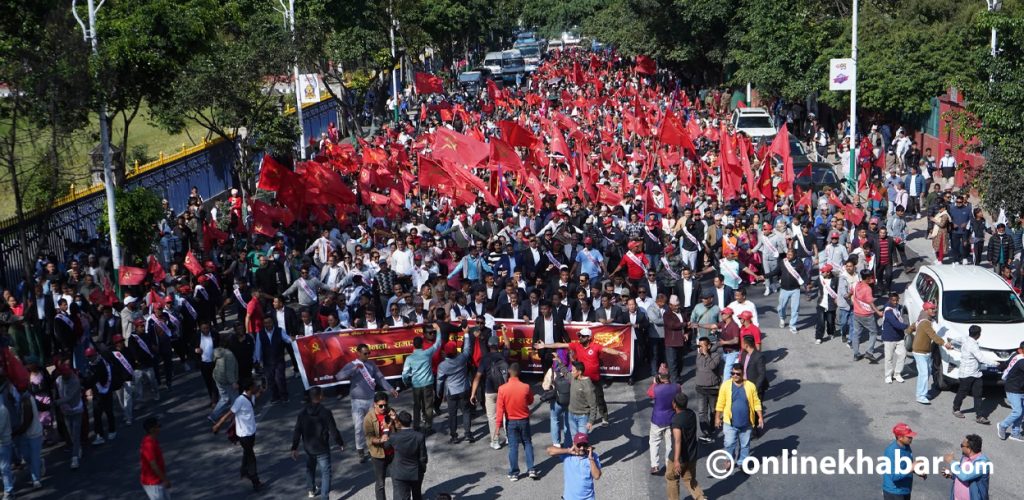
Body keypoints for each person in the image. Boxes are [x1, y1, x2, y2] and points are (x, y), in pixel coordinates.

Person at [539, 327, 627, 426]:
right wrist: (545, 345)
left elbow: (607, 349)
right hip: (581, 380)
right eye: (579, 336)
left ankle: (604, 417)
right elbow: (560, 344)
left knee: (599, 400)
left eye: (582, 336)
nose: (580, 337)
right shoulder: (576, 345)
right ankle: (587, 419)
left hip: (594, 380)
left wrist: (619, 353)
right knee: (584, 400)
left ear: (589, 337)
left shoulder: (596, 346)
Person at [335, 343, 398, 462]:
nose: (367, 355)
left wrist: (390, 389)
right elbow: (339, 376)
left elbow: (380, 378)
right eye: (365, 353)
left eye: (369, 353)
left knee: (373, 426)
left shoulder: (371, 364)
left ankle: (373, 447)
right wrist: (353, 370)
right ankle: (360, 449)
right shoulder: (352, 365)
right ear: (358, 353)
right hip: (357, 401)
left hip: (370, 400)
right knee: (359, 427)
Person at [291, 387, 346, 498]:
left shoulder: (302, 413)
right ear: (320, 397)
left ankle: (311, 490)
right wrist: (340, 443)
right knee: (325, 473)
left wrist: (294, 447)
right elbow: (333, 430)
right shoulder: (325, 412)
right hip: (322, 448)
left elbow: (297, 431)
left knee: (310, 468)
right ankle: (324, 497)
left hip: (309, 448)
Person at [212, 378, 263, 491]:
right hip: (244, 434)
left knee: (248, 451)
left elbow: (256, 397)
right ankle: (255, 481)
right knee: (251, 457)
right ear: (249, 388)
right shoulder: (240, 400)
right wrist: (218, 425)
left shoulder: (251, 397)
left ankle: (243, 472)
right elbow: (229, 414)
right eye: (254, 386)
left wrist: (261, 390)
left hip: (251, 432)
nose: (256, 387)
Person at [494, 363, 537, 481]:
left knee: (513, 447)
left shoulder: (502, 389)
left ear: (509, 372)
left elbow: (500, 409)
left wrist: (497, 427)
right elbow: (530, 400)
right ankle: (531, 469)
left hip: (511, 422)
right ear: (519, 373)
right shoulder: (526, 387)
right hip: (524, 420)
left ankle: (514, 473)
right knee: (527, 443)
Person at [715, 365, 764, 470]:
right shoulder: (726, 385)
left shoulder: (750, 386)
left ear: (743, 374)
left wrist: (760, 417)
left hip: (746, 423)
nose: (735, 376)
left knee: (745, 445)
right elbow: (720, 402)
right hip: (730, 422)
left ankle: (742, 462)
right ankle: (729, 460)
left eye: (738, 374)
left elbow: (756, 402)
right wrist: (717, 417)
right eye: (733, 373)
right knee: (729, 443)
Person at [471, 329, 510, 450]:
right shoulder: (503, 355)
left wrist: (473, 393)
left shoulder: (485, 358)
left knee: (492, 417)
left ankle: (495, 441)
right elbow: (508, 345)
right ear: (498, 345)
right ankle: (509, 437)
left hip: (490, 391)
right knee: (505, 414)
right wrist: (503, 332)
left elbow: (477, 377)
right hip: (503, 390)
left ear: (488, 345)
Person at [435, 329, 475, 443]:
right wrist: (466, 333)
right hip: (464, 389)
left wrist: (439, 392)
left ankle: (454, 436)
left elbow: (439, 381)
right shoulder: (462, 358)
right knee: (466, 411)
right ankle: (468, 433)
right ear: (455, 351)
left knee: (452, 414)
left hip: (451, 392)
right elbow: (467, 348)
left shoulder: (442, 365)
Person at [907, 301, 951, 404]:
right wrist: (945, 344)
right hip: (920, 352)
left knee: (926, 372)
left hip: (925, 351)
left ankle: (923, 392)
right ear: (926, 310)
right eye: (932, 309)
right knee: (924, 373)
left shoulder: (922, 320)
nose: (934, 310)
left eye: (934, 308)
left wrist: (907, 332)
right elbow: (933, 336)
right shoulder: (926, 322)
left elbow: (912, 326)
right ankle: (920, 396)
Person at [400, 334, 441, 435]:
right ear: (422, 344)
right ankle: (428, 427)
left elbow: (405, 374)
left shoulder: (409, 358)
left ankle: (416, 426)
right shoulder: (427, 353)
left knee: (417, 406)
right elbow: (438, 343)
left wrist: (406, 382)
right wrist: (439, 331)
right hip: (428, 384)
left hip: (416, 385)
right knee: (428, 406)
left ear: (413, 345)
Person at [667, 393, 705, 500]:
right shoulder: (691, 414)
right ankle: (701, 498)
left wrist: (676, 460)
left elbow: (678, 440)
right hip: (692, 455)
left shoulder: (676, 420)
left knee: (672, 479)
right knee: (690, 480)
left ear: (674, 404)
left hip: (680, 457)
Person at [952, 326, 991, 425]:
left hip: (976, 373)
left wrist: (952, 344)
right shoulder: (972, 345)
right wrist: (996, 364)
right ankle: (956, 409)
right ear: (978, 335)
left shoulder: (965, 338)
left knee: (978, 394)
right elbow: (982, 359)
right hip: (967, 374)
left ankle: (980, 416)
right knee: (962, 392)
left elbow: (955, 339)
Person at [546, 433, 602, 500]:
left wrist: (590, 458)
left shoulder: (593, 456)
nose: (582, 448)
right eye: (579, 445)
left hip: (588, 498)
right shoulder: (567, 455)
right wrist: (568, 451)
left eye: (584, 445)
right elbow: (549, 450)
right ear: (574, 444)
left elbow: (597, 476)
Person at [647, 365, 680, 474]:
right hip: (671, 419)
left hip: (657, 419)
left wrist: (655, 382)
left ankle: (655, 465)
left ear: (660, 376)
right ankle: (668, 464)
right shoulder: (677, 387)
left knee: (654, 442)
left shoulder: (656, 388)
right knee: (669, 444)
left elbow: (649, 394)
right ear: (669, 376)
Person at [364, 392, 396, 500]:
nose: (383, 408)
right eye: (380, 405)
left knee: (397, 480)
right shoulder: (369, 418)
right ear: (374, 404)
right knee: (380, 483)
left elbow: (399, 430)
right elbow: (369, 438)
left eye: (385, 405)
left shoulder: (391, 412)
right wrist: (379, 440)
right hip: (378, 455)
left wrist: (394, 419)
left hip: (392, 453)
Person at [389, 411, 428, 500]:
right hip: (416, 471)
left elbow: (386, 446)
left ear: (399, 421)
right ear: (411, 422)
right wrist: (422, 470)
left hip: (400, 472)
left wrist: (388, 429)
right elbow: (423, 456)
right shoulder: (419, 436)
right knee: (417, 495)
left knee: (402, 497)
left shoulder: (394, 437)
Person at [882, 422, 926, 500]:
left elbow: (904, 466)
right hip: (894, 493)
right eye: (908, 437)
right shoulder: (891, 452)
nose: (911, 438)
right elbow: (894, 476)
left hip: (905, 490)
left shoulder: (907, 446)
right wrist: (911, 468)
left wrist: (916, 471)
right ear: (900, 437)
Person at [54, 360, 83, 470]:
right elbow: (57, 391)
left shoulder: (75, 380)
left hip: (76, 410)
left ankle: (74, 457)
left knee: (75, 433)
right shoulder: (59, 380)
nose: (67, 375)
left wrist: (56, 402)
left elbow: (69, 397)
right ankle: (78, 446)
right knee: (71, 433)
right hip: (66, 411)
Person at [941, 434, 991, 500]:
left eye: (962, 445)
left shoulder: (983, 463)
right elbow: (961, 474)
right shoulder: (964, 458)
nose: (961, 447)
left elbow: (965, 476)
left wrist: (951, 461)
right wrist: (951, 475)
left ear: (969, 448)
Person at [693, 337, 722, 443]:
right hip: (701, 389)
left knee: (713, 411)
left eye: (702, 346)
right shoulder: (699, 355)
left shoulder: (716, 355)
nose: (700, 348)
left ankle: (713, 426)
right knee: (701, 412)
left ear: (708, 346)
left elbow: (712, 366)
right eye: (698, 346)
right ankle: (706, 432)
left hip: (712, 389)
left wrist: (707, 355)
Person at [542, 350, 572, 448]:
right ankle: (568, 442)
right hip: (570, 400)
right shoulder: (571, 370)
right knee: (568, 421)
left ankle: (556, 443)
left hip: (556, 400)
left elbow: (545, 386)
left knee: (555, 419)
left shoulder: (552, 370)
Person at [851, 270, 883, 362]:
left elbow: (850, 292)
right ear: (868, 278)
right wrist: (878, 312)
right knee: (873, 332)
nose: (873, 278)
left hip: (856, 313)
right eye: (871, 277)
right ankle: (869, 352)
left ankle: (856, 354)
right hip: (867, 315)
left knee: (856, 334)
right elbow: (870, 302)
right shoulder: (867, 289)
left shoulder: (856, 284)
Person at [997, 341, 1024, 441]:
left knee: (1021, 412)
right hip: (1013, 389)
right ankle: (1002, 425)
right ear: (1021, 350)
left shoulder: (1017, 356)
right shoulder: (1021, 361)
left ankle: (1015, 433)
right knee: (1018, 411)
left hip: (1020, 389)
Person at [881, 293, 909, 384]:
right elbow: (896, 324)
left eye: (897, 300)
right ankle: (888, 375)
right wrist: (907, 326)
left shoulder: (896, 307)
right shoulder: (888, 311)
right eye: (893, 300)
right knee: (889, 358)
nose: (896, 302)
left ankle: (897, 374)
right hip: (889, 338)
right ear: (889, 300)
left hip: (899, 337)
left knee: (902, 355)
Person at [140, 417, 170, 500]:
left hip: (158, 480)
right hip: (153, 483)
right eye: (158, 426)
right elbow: (153, 465)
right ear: (152, 429)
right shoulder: (148, 444)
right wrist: (165, 480)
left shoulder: (153, 440)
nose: (159, 428)